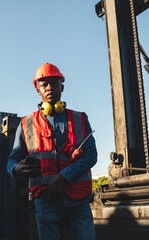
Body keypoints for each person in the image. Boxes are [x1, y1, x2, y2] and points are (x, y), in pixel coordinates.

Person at [7, 63, 97, 240]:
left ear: (61, 86)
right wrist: (17, 169)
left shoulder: (79, 119)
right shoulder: (27, 124)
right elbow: (12, 160)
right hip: (46, 202)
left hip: (78, 202)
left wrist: (64, 177)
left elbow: (91, 155)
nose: (50, 88)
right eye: (44, 84)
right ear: (37, 89)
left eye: (54, 83)